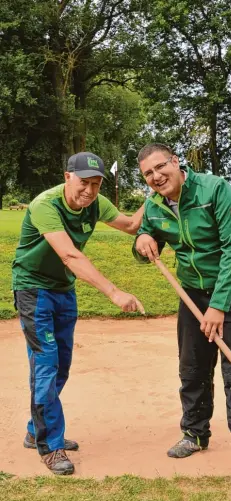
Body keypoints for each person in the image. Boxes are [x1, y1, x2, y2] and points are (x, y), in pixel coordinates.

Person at [133, 143, 231, 478]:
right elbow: (147, 238)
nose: (155, 177)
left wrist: (219, 306)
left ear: (176, 162)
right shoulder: (153, 206)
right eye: (147, 173)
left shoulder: (215, 190)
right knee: (192, 369)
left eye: (160, 167)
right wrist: (141, 242)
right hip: (192, 294)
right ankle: (194, 434)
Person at [12, 151, 145, 476]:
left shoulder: (96, 204)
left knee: (62, 367)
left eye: (96, 184)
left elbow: (129, 224)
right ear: (67, 176)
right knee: (46, 366)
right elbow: (70, 255)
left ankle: (36, 430)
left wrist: (153, 195)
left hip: (62, 290)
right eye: (84, 182)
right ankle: (50, 446)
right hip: (33, 290)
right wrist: (114, 292)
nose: (89, 191)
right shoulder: (45, 204)